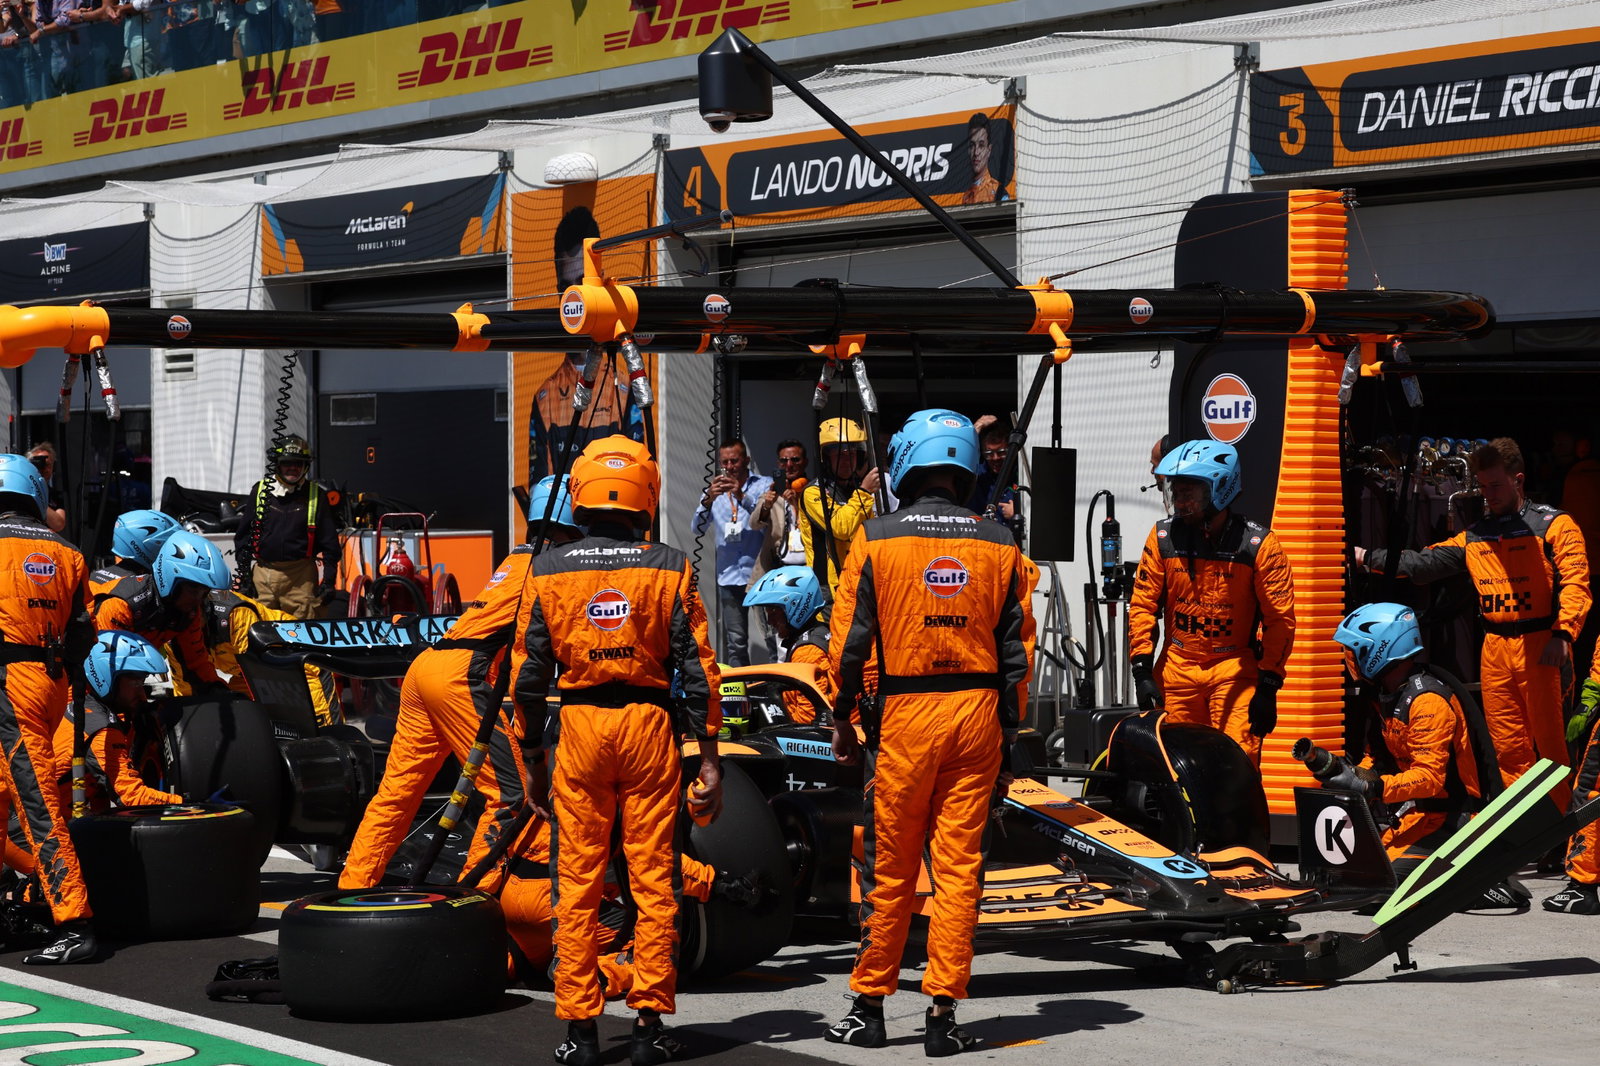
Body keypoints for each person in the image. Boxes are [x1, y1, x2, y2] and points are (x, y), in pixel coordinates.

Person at [512, 435, 721, 1066]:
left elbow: (528, 676)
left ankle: (580, 1033)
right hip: (649, 727)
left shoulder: (547, 568)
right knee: (654, 879)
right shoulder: (670, 566)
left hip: (579, 728)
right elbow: (698, 668)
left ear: (580, 494)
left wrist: (532, 755)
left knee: (576, 882)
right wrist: (709, 756)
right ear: (645, 495)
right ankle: (649, 1028)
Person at [826, 409, 1028, 1056]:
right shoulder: (1000, 543)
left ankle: (870, 1009)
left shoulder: (877, 538)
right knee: (959, 871)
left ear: (907, 463)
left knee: (890, 870)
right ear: (965, 467)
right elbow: (1016, 652)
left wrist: (841, 715)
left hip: (906, 719)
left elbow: (848, 645)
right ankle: (943, 1015)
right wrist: (1010, 736)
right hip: (978, 718)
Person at [338, 477, 581, 892]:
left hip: (427, 668)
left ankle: (353, 887)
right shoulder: (548, 571)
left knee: (397, 791)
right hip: (460, 676)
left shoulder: (515, 560)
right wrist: (527, 742)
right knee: (511, 793)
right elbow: (527, 663)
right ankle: (479, 896)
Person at [1354, 437, 1591, 811]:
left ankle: (1566, 828)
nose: (1488, 495)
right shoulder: (1476, 535)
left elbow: (1577, 581)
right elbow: (1423, 563)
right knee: (1508, 751)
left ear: (1518, 480)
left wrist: (1563, 633)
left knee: (1553, 750)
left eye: (1495, 485)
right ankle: (1527, 829)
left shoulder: (1554, 525)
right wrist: (1366, 557)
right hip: (1495, 650)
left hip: (1541, 644)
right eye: (1482, 486)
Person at [1128, 439, 1296, 763]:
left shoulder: (1259, 546)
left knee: (1238, 764)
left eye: (1189, 493)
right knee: (1177, 766)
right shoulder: (1162, 537)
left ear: (1219, 490)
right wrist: (1142, 672)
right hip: (1177, 669)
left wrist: (1268, 685)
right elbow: (1142, 606)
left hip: (1234, 670)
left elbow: (1280, 620)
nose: (1180, 502)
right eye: (1176, 492)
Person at [0, 453, 97, 964]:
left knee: (37, 806)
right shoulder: (68, 551)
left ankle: (75, 922)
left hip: (8, 687)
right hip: (48, 683)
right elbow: (84, 633)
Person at [1329, 603, 1488, 883]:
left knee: (1380, 884)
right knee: (1350, 876)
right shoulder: (1386, 695)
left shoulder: (1428, 701)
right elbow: (1377, 759)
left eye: (1355, 650)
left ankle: (1479, 880)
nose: (1350, 659)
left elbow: (1430, 779)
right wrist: (1351, 775)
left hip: (1453, 820)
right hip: (1417, 815)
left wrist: (1374, 787)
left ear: (1380, 649)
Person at [52, 629, 182, 812]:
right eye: (135, 683)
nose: (142, 695)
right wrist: (190, 803)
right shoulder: (102, 729)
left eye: (143, 683)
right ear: (107, 675)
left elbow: (100, 793)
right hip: (34, 824)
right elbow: (132, 796)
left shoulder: (85, 708)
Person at [91, 529, 232, 692]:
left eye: (204, 592)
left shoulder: (188, 611)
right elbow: (104, 670)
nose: (198, 600)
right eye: (193, 590)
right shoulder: (120, 606)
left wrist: (219, 691)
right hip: (83, 683)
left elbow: (195, 664)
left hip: (124, 685)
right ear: (172, 579)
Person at [233, 435, 340, 621]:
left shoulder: (317, 496)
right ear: (277, 464)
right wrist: (245, 577)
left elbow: (330, 545)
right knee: (259, 627)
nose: (293, 468)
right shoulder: (260, 491)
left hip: (301, 578)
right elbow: (243, 538)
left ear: (306, 466)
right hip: (263, 576)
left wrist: (329, 581)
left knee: (302, 630)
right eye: (287, 463)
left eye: (298, 463)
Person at [691, 439, 771, 668]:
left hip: (760, 575)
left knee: (771, 637)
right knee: (736, 642)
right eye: (724, 462)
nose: (729, 467)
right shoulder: (714, 492)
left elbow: (767, 519)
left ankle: (776, 685)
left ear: (746, 460)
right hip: (729, 576)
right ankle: (741, 689)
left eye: (734, 461)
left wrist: (741, 496)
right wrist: (708, 500)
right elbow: (696, 528)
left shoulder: (764, 484)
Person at [742, 565, 834, 724]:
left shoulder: (807, 651)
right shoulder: (816, 633)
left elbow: (808, 719)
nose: (770, 621)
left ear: (795, 606)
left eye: (773, 612)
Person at [801, 417, 880, 593]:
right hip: (828, 589)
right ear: (826, 459)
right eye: (840, 455)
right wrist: (864, 492)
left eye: (852, 454)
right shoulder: (814, 492)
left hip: (859, 581)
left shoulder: (857, 489)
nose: (847, 461)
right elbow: (840, 528)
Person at [749, 439, 809, 659]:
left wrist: (796, 504)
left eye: (795, 460)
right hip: (778, 569)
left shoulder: (813, 491)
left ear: (805, 462)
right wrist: (767, 504)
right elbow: (754, 524)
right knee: (778, 633)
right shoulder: (772, 492)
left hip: (807, 571)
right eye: (784, 461)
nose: (789, 465)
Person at [967, 423, 1024, 548]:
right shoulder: (977, 477)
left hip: (1014, 546)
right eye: (989, 453)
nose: (995, 458)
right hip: (983, 545)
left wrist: (1018, 514)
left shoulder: (1022, 475)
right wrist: (976, 429)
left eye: (1001, 452)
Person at [960, 112, 1000, 206]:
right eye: (972, 145)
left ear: (989, 150)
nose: (976, 152)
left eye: (981, 145)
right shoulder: (966, 196)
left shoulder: (998, 191)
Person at [24, 443, 65, 535]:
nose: (44, 469)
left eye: (48, 465)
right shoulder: (21, 490)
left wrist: (37, 497)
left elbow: (59, 525)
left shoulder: (55, 495)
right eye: (38, 464)